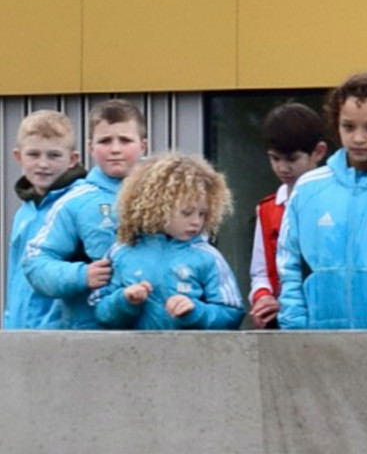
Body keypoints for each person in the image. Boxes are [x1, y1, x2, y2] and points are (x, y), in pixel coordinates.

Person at [276, 74, 367, 331]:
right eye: (348, 127)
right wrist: (294, 327)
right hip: (315, 342)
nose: (358, 138)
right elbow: (288, 262)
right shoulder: (308, 188)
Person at [24, 100, 148, 332]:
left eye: (125, 140)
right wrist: (81, 275)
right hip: (92, 336)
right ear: (90, 148)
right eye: (105, 141)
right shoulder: (74, 202)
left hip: (160, 331)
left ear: (143, 145)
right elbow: (35, 262)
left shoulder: (168, 194)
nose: (115, 149)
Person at [91, 153, 241, 331]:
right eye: (187, 212)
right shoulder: (123, 251)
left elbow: (232, 314)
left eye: (202, 213)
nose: (196, 221)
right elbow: (101, 312)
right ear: (156, 208)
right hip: (133, 354)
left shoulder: (208, 257)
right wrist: (124, 301)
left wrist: (195, 312)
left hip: (192, 355)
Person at [246, 102, 326, 329]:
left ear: (318, 152)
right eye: (275, 158)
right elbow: (260, 272)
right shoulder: (267, 209)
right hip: (281, 320)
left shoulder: (332, 203)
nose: (283, 168)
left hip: (323, 314)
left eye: (292, 159)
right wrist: (263, 297)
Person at [6, 110, 81, 330]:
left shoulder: (77, 205)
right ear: (18, 157)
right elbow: (15, 274)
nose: (43, 164)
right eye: (34, 154)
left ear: (72, 159)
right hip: (19, 330)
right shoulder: (24, 212)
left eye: (54, 155)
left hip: (58, 333)